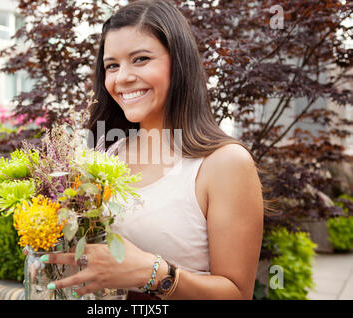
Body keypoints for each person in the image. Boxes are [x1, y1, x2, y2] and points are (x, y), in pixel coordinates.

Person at [42, 0, 264, 300]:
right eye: (112, 66)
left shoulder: (224, 163)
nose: (122, 78)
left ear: (179, 62)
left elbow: (237, 294)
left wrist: (156, 274)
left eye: (141, 59)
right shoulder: (101, 157)